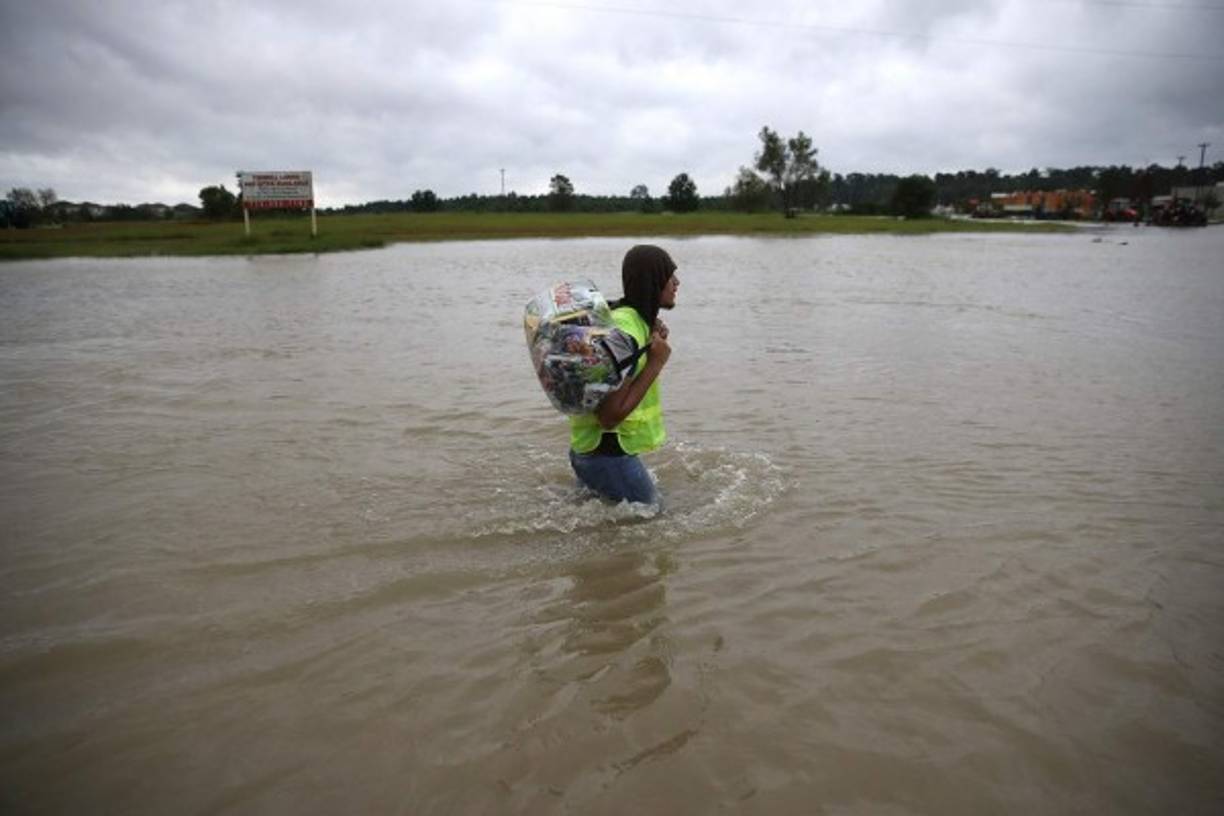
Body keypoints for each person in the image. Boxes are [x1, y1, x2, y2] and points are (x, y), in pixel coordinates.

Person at [568, 244, 679, 505]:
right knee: (654, 523)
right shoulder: (626, 332)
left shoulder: (629, 319)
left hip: (590, 452)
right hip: (608, 455)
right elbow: (608, 416)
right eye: (670, 276)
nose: (677, 283)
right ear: (654, 281)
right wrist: (656, 363)